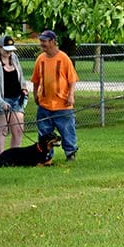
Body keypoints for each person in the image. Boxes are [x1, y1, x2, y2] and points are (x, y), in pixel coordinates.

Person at [30, 30, 79, 161]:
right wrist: (35, 95)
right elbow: (35, 80)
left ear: (52, 42)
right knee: (44, 132)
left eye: (44, 41)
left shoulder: (63, 58)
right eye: (41, 41)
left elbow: (72, 79)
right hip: (45, 105)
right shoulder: (40, 59)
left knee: (67, 130)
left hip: (63, 104)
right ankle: (46, 156)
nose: (42, 44)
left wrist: (71, 95)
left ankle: (70, 153)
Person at [0, 35, 28, 157]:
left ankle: (13, 157)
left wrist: (24, 89)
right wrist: (1, 103)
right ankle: (1, 158)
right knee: (2, 130)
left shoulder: (14, 58)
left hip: (16, 99)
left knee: (18, 130)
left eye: (11, 50)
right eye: (6, 50)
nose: (9, 52)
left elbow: (21, 75)